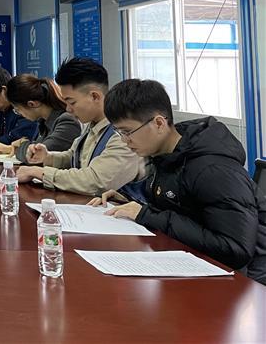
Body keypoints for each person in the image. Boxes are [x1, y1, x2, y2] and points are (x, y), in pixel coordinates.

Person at [90, 79, 266, 285]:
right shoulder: (166, 156)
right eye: (119, 133)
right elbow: (181, 209)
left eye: (127, 132)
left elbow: (235, 249)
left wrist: (146, 214)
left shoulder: (213, 170)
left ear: (158, 123)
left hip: (248, 282)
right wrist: (129, 201)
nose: (124, 140)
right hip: (198, 267)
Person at [16, 58, 145, 198]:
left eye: (72, 102)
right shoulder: (91, 125)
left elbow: (95, 181)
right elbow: (74, 156)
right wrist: (48, 157)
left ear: (95, 96)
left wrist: (39, 173)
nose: (68, 109)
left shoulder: (124, 133)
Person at [0, 74, 82, 163]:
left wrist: (21, 145)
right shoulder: (43, 122)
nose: (20, 114)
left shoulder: (67, 121)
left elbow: (36, 155)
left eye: (17, 110)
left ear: (32, 104)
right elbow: (34, 147)